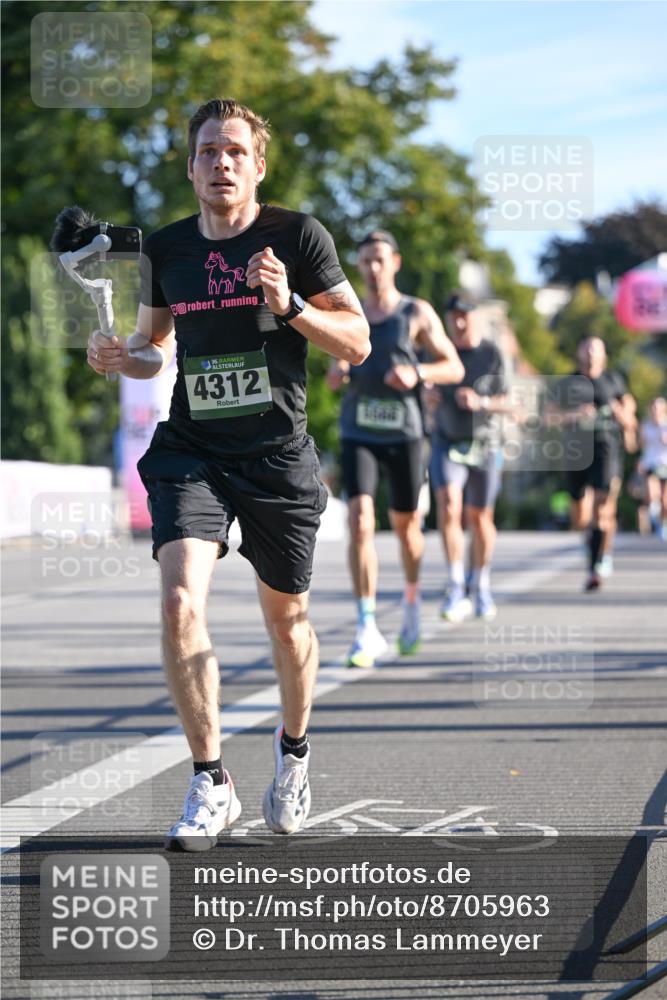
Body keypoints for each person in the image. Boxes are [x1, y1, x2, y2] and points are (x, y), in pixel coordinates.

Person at [86, 98, 370, 850]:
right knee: (179, 599)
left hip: (277, 455)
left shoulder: (298, 236)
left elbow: (357, 343)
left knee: (288, 622)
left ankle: (293, 752)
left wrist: (291, 304)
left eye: (236, 151)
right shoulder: (168, 249)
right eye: (209, 151)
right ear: (191, 167)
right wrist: (120, 356)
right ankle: (210, 780)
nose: (222, 163)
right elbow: (153, 349)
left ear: (258, 166)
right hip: (194, 449)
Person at [327, 231, 463, 667]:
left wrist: (417, 373)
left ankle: (410, 602)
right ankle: (366, 625)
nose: (372, 268)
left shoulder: (415, 312)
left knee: (407, 528)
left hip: (405, 432)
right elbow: (336, 362)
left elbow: (453, 366)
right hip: (359, 431)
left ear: (395, 263)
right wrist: (337, 371)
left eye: (380, 260)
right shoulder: (346, 311)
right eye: (365, 260)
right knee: (360, 520)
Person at [427, 292, 508, 622]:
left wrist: (481, 402)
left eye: (465, 316)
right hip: (447, 441)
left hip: (484, 444)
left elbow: (511, 402)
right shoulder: (439, 350)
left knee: (480, 518)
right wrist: (427, 394)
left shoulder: (491, 354)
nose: (459, 322)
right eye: (454, 317)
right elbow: (421, 385)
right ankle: (456, 583)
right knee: (449, 505)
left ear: (475, 317)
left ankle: (481, 582)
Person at [547, 336, 637, 591]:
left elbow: (629, 412)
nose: (590, 353)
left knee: (603, 506)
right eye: (586, 348)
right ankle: (594, 543)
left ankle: (596, 564)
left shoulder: (613, 380)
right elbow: (549, 417)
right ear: (579, 353)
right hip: (576, 452)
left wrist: (622, 414)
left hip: (606, 448)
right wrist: (574, 415)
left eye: (595, 349)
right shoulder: (568, 383)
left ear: (603, 354)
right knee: (580, 517)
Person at [638, 396, 667, 539]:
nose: (656, 410)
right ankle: (653, 515)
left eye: (658, 407)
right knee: (651, 494)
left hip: (665, 463)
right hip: (650, 463)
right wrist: (640, 461)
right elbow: (641, 446)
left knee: (665, 501)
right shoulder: (646, 425)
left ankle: (662, 524)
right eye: (654, 407)